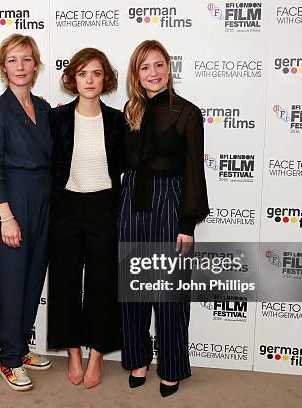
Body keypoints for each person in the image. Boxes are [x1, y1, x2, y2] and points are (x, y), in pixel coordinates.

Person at [119, 40, 209, 398]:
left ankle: (171, 367)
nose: (153, 73)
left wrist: (187, 224)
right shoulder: (131, 109)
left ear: (169, 69)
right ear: (136, 74)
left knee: (170, 293)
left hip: (170, 202)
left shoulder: (187, 112)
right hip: (131, 199)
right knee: (133, 289)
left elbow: (192, 170)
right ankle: (138, 360)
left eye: (158, 66)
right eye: (145, 68)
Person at [47, 48, 124, 389]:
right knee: (64, 282)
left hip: (104, 207)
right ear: (72, 79)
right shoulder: (57, 118)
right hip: (66, 206)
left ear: (105, 78)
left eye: (96, 73)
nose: (89, 80)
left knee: (102, 284)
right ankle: (74, 353)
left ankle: (96, 357)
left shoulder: (117, 120)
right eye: (82, 73)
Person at [0, 34, 52, 392]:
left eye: (26, 59)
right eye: (13, 60)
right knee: (10, 283)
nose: (20, 66)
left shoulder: (44, 108)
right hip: (12, 203)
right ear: (3, 67)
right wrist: (6, 216)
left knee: (33, 279)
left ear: (35, 64)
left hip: (43, 201)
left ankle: (21, 349)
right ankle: (9, 359)